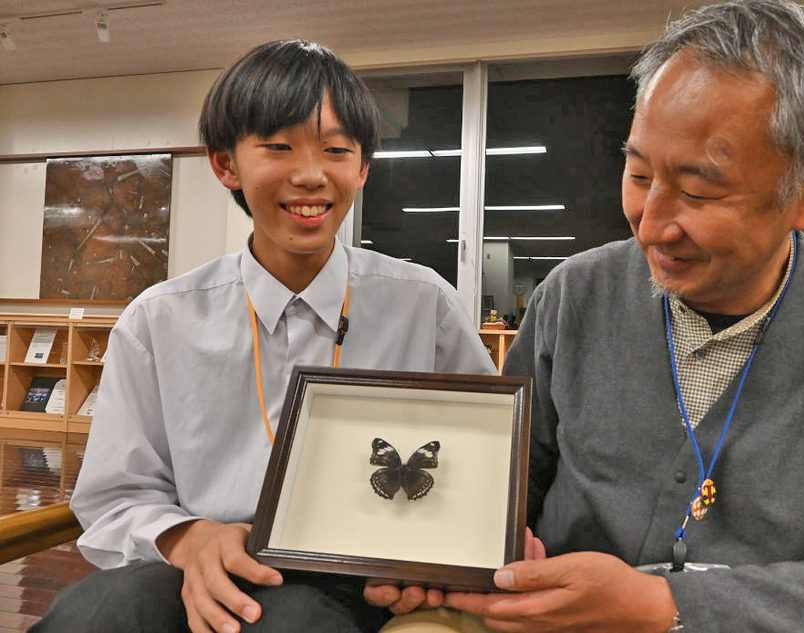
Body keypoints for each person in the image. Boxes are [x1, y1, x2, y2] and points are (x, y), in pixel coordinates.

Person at [369, 0, 804, 630]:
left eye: (699, 191)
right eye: (639, 174)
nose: (653, 226)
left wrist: (665, 608)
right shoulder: (575, 294)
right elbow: (505, 487)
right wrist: (442, 548)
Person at [32, 40, 496, 633]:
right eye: (278, 147)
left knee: (296, 618)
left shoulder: (422, 303)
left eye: (335, 151)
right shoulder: (160, 319)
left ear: (362, 168)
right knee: (93, 614)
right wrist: (190, 537)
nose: (310, 175)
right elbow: (117, 493)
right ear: (226, 164)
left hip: (357, 570)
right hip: (200, 559)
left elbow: (482, 457)